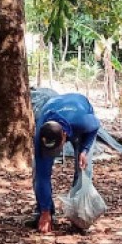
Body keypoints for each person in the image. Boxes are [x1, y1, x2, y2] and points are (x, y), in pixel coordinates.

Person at [32, 93, 101, 234]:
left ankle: (80, 216)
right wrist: (45, 211)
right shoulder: (40, 135)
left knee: (83, 169)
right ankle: (45, 212)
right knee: (38, 170)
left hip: (80, 108)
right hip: (54, 107)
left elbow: (95, 126)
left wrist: (84, 150)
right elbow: (42, 176)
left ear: (64, 135)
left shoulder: (82, 122)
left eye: (57, 148)